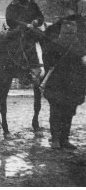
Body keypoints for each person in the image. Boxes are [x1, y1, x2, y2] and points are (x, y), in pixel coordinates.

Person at [41, 20, 86, 149]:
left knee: (55, 112)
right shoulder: (79, 46)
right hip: (72, 87)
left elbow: (46, 63)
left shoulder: (54, 44)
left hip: (56, 85)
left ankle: (56, 140)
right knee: (68, 113)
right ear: (74, 31)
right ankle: (64, 140)